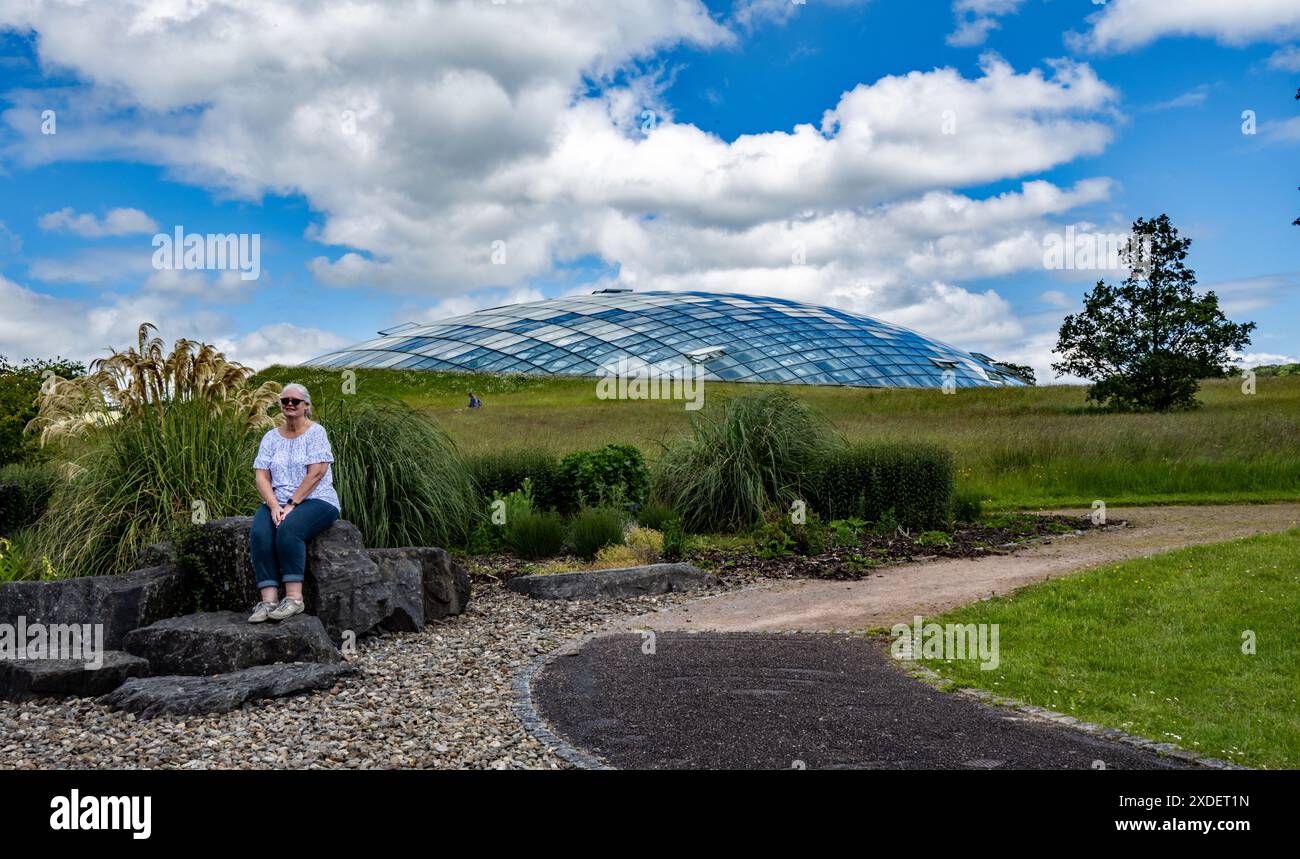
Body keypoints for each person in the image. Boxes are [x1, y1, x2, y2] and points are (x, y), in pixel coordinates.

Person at [247, 382, 341, 623]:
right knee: (259, 533)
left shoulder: (316, 432)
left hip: (316, 499)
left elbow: (317, 472)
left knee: (289, 529)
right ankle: (268, 602)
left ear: (306, 406)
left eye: (295, 401)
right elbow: (261, 475)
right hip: (277, 501)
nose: (289, 404)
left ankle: (294, 599)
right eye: (285, 400)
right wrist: (273, 505)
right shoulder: (271, 437)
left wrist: (291, 504)